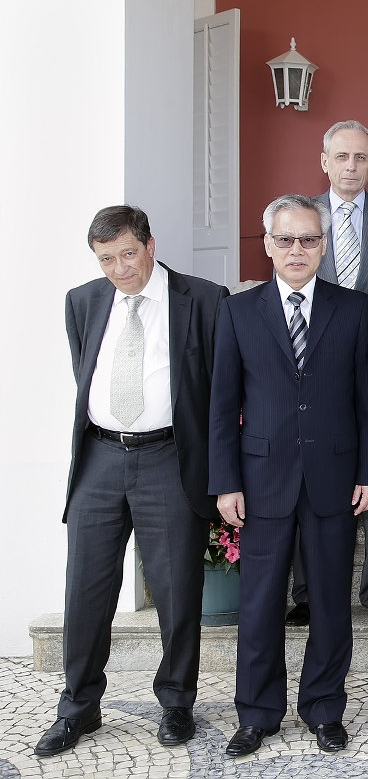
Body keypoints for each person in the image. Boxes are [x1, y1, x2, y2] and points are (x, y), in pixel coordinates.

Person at [36, 207, 228, 758]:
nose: (119, 269)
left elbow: (219, 391)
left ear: (150, 244)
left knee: (175, 589)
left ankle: (176, 701)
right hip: (99, 457)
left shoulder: (204, 300)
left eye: (128, 254)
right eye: (106, 259)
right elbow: (85, 370)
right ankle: (78, 707)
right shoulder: (83, 301)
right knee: (86, 590)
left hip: (169, 455)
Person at [209, 195, 368, 757]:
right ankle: (257, 712)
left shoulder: (354, 308)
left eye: (309, 239)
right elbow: (221, 405)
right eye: (285, 239)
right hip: (261, 480)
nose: (297, 249)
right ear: (267, 245)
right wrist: (225, 481)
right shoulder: (238, 311)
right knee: (260, 603)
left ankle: (324, 708)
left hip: (335, 475)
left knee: (332, 600)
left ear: (324, 244)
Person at [284, 119, 368, 631]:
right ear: (325, 161)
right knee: (306, 472)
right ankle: (308, 592)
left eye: (361, 157)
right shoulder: (301, 215)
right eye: (341, 157)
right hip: (310, 364)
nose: (351, 166)